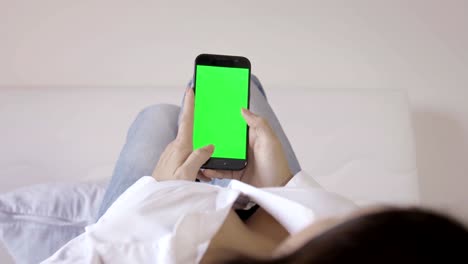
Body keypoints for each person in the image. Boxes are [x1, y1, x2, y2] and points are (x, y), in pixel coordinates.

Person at [42, 76, 468, 263]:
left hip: (144, 220)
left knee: (157, 118)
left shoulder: (117, 251)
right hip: (266, 199)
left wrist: (157, 193)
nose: (354, 209)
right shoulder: (312, 224)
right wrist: (285, 185)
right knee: (245, 93)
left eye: (366, 216)